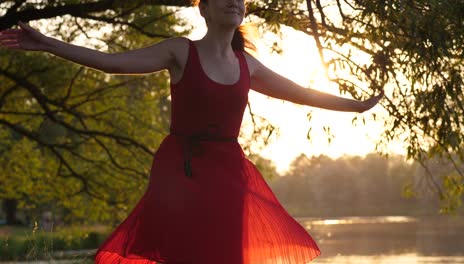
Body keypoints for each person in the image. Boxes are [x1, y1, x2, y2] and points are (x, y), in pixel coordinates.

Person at [0, 0, 384, 263]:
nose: (234, 1)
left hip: (228, 175)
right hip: (180, 172)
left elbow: (301, 93)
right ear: (204, 8)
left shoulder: (247, 64)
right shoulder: (180, 51)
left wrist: (354, 105)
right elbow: (110, 63)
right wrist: (47, 43)